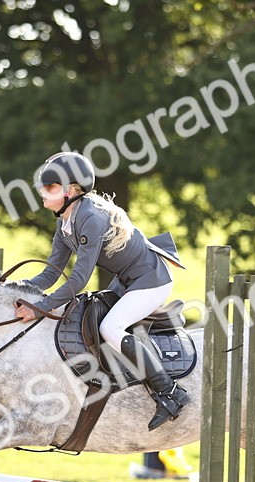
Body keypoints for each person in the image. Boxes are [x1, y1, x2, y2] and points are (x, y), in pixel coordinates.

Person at [15, 152, 189, 431]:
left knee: (111, 327)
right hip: (126, 281)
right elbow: (51, 274)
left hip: (151, 280)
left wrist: (40, 308)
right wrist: (17, 289)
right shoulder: (65, 222)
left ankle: (170, 393)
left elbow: (79, 279)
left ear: (70, 191)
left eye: (49, 188)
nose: (42, 193)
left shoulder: (91, 219)